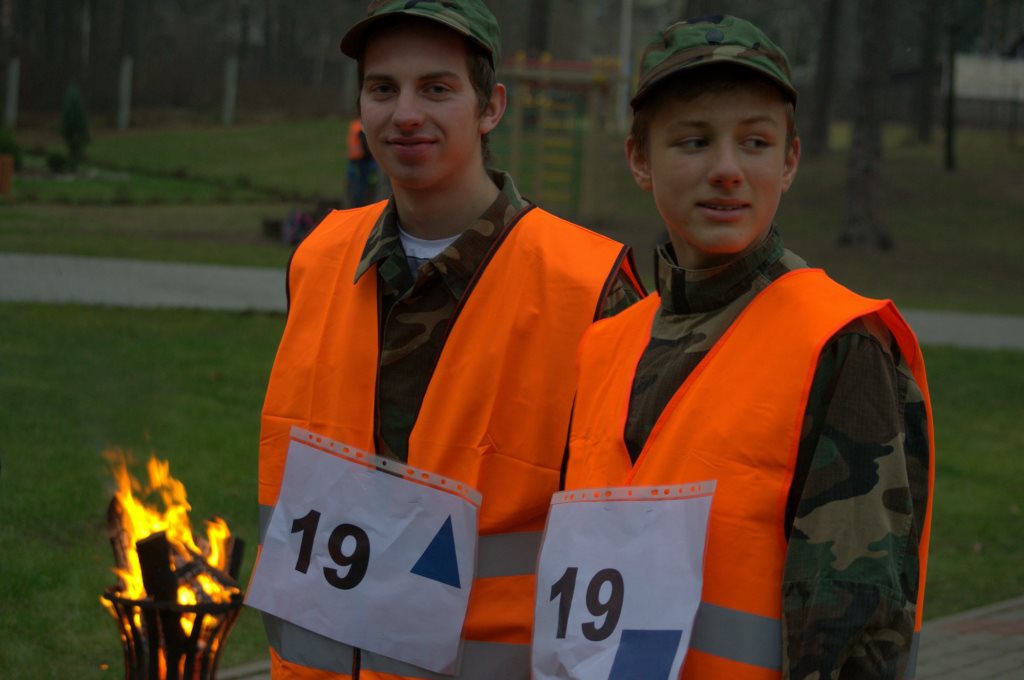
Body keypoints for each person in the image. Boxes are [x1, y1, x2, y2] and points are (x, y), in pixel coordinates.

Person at [533, 15, 934, 680]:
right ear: (639, 159)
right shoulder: (608, 345)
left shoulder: (837, 345)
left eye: (755, 142)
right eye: (693, 141)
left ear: (789, 160)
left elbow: (855, 636)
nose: (726, 170)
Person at [252, 2, 643, 679]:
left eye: (436, 88)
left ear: (490, 107)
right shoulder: (319, 259)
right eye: (383, 88)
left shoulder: (592, 290)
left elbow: (621, 548)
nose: (405, 114)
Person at [346, 118, 379, 207]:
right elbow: (364, 142)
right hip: (362, 157)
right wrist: (371, 154)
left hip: (354, 157)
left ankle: (355, 201)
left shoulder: (354, 124)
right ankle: (360, 202)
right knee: (363, 182)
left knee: (356, 181)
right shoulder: (362, 126)